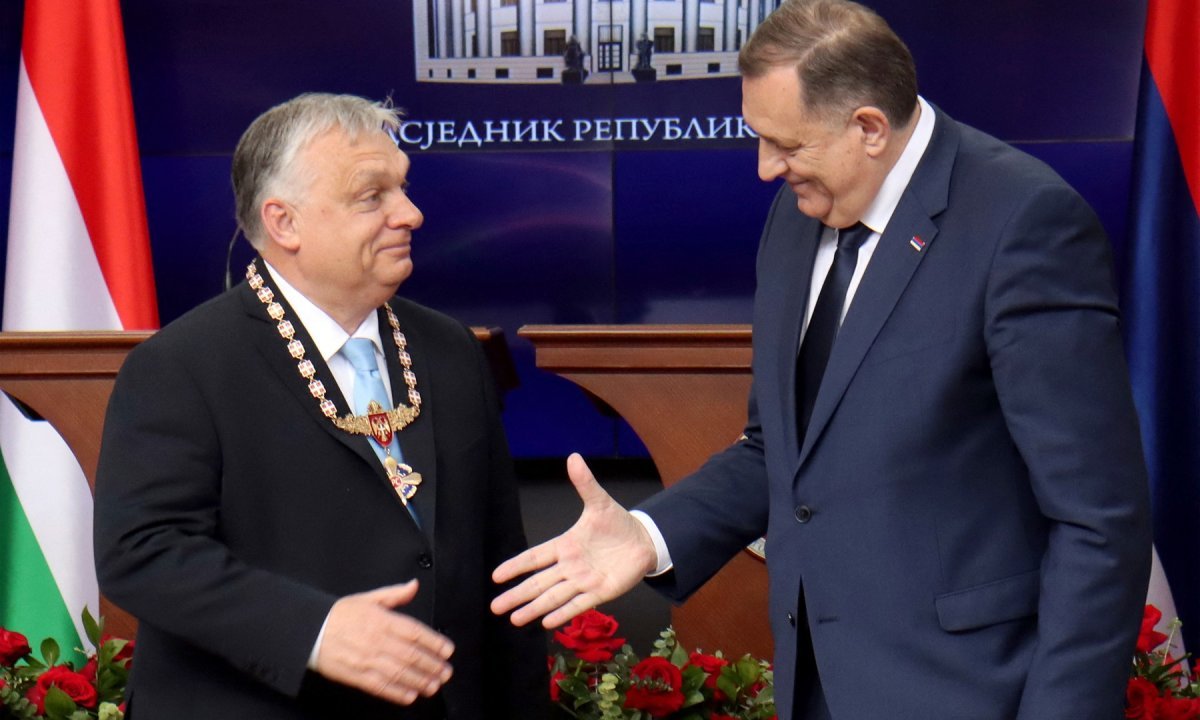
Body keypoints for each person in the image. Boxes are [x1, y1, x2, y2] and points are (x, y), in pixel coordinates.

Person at [492, 1, 1152, 718]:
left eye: (786, 145)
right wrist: (650, 537)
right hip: (818, 690)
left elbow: (1097, 519)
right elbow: (777, 449)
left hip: (971, 693)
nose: (764, 168)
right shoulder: (799, 215)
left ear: (869, 127)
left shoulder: (1023, 222)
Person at [94, 93, 549, 719]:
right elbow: (142, 552)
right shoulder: (182, 364)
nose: (411, 214)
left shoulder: (450, 350)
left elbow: (499, 563)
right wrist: (313, 630)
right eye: (372, 196)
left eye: (403, 188)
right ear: (284, 223)